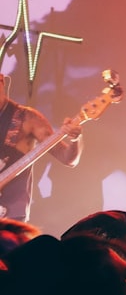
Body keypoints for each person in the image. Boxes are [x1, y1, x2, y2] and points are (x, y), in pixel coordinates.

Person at [0, 72, 84, 221]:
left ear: (1, 80)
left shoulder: (26, 118)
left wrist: (75, 138)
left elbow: (68, 159)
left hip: (11, 220)